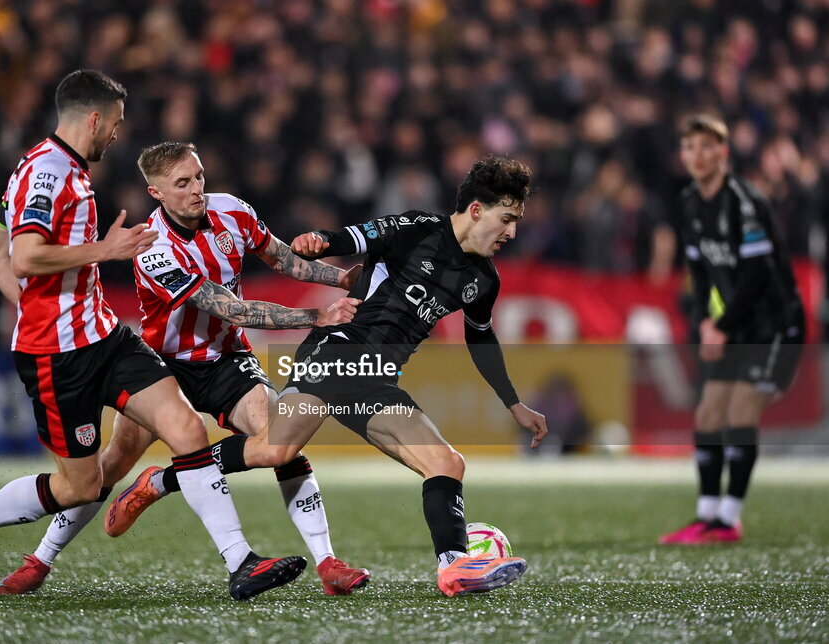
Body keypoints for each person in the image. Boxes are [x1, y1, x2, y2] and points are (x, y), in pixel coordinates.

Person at [0, 70, 308, 602]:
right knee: (80, 486)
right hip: (56, 356)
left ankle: (241, 562)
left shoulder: (50, 168)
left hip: (106, 336)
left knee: (184, 429)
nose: (117, 134)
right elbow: (24, 256)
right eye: (116, 124)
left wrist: (47, 304)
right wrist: (97, 260)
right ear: (94, 118)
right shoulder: (48, 173)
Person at [108, 155, 549, 597]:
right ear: (476, 210)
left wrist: (514, 403)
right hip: (336, 352)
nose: (511, 232)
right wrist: (321, 238)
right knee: (277, 450)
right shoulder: (419, 228)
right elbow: (356, 235)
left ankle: (453, 568)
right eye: (507, 219)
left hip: (377, 378)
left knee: (446, 464)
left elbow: (482, 340)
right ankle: (167, 483)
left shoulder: (482, 279)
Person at [0, 142, 371, 596]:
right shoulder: (152, 248)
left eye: (199, 177)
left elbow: (282, 258)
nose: (197, 191)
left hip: (227, 359)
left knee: (282, 441)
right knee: (107, 469)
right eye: (183, 184)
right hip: (160, 367)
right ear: (156, 192)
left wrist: (338, 278)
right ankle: (40, 561)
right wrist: (315, 316)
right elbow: (234, 310)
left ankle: (327, 561)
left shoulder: (231, 210)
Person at [659, 115, 805, 545]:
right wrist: (706, 321)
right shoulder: (689, 202)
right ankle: (706, 515)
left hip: (774, 325)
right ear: (683, 155)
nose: (698, 156)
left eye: (707, 147)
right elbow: (700, 272)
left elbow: (758, 275)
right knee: (707, 414)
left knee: (741, 412)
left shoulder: (744, 201)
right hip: (733, 326)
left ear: (723, 153)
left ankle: (729, 518)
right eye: (690, 148)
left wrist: (721, 326)